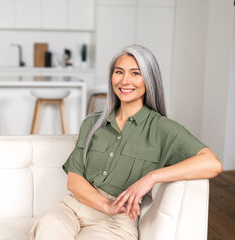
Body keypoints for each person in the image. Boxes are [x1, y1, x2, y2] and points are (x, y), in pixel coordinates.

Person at [30, 44, 222, 240]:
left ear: (149, 79)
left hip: (116, 223)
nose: (124, 80)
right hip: (73, 208)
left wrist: (151, 178)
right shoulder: (93, 124)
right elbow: (74, 180)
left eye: (135, 73)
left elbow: (211, 163)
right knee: (48, 224)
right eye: (119, 72)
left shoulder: (162, 128)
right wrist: (105, 205)